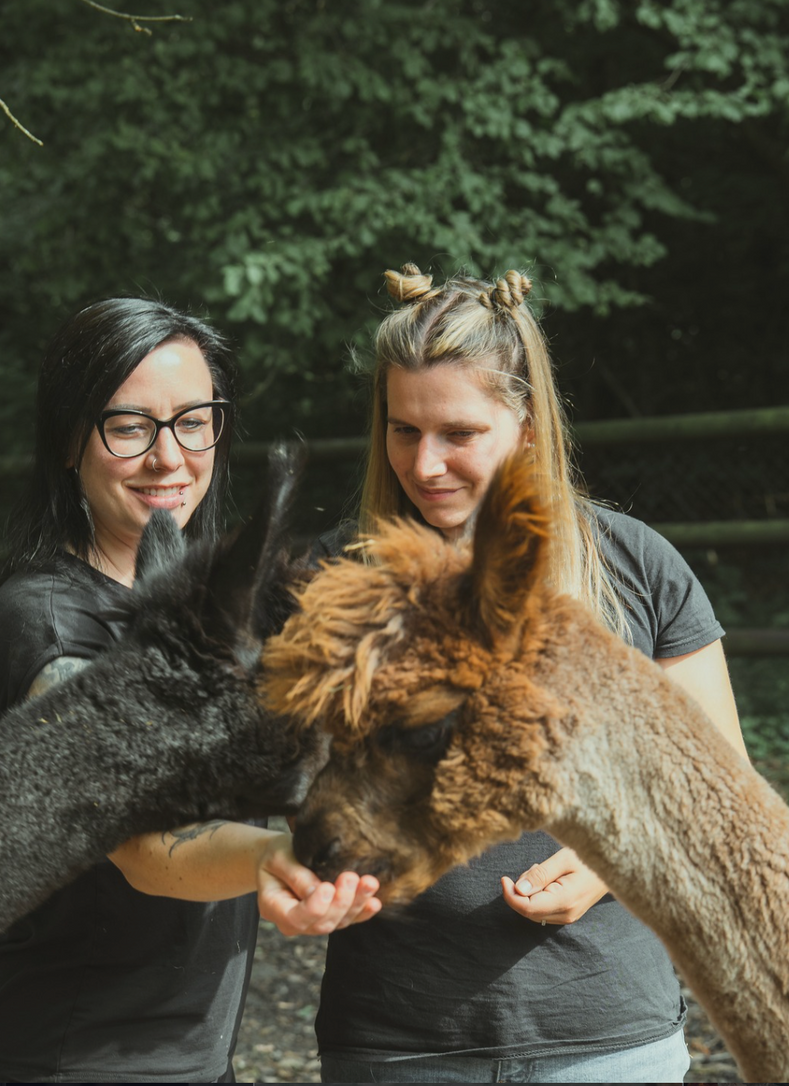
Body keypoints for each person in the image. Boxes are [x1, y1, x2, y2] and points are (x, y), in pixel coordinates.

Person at [312, 265, 748, 1085]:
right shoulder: (332, 577)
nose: (425, 462)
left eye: (459, 433)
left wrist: (609, 864)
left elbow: (721, 793)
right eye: (403, 431)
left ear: (527, 427)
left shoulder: (634, 567)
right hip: (397, 1041)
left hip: (606, 1038)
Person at [0, 297, 380, 1084]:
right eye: (129, 426)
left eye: (192, 420)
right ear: (70, 442)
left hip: (192, 1060)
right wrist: (279, 856)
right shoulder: (47, 626)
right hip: (63, 1058)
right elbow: (140, 843)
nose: (168, 457)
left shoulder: (217, 607)